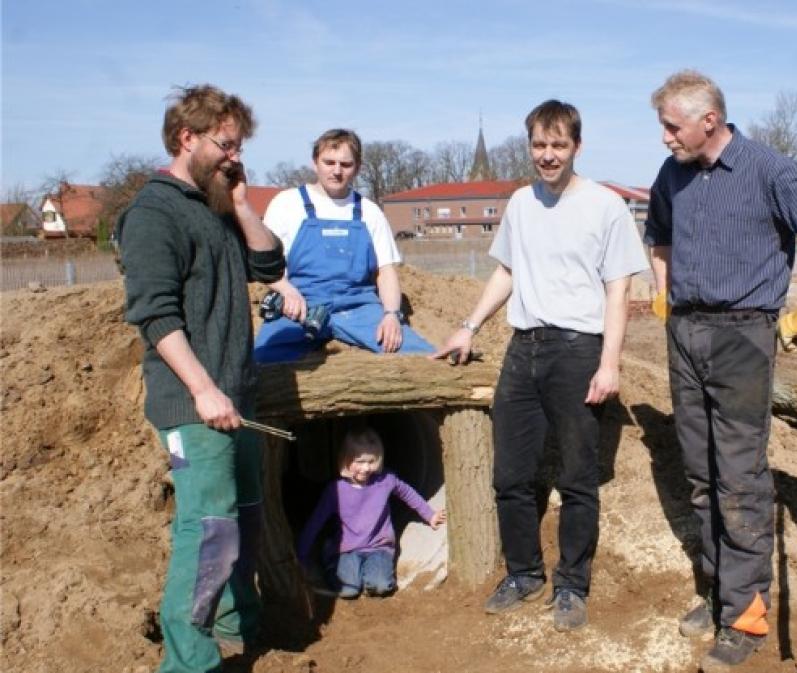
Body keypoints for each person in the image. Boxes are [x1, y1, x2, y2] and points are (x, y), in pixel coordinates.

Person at [644, 69, 797, 671]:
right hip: (685, 331)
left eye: (672, 126)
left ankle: (746, 614)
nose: (665, 137)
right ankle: (719, 592)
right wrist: (664, 295)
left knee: (739, 478)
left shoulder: (769, 170)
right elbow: (658, 236)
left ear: (709, 120)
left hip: (743, 335)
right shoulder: (672, 174)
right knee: (701, 474)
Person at [431, 99, 648, 632]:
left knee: (577, 479)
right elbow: (507, 271)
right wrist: (469, 325)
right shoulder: (520, 203)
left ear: (577, 146)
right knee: (511, 475)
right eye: (539, 145)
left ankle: (571, 585)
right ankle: (524, 573)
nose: (548, 155)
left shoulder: (605, 207)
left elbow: (619, 290)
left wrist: (610, 363)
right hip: (522, 348)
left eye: (558, 145)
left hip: (578, 350)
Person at [117, 84, 286, 673]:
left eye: (239, 147)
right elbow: (154, 315)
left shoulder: (217, 205)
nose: (234, 157)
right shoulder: (152, 213)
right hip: (195, 402)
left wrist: (241, 204)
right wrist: (203, 389)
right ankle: (189, 662)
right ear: (186, 138)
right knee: (210, 530)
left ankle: (238, 629)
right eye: (225, 145)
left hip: (237, 395)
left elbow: (269, 265)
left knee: (247, 516)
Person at [253, 128, 434, 364]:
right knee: (261, 360)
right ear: (315, 162)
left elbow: (385, 270)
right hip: (302, 303)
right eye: (329, 162)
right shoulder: (286, 204)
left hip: (358, 307)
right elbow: (266, 264)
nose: (337, 171)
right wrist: (286, 291)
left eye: (345, 164)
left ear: (357, 168)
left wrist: (391, 315)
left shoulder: (369, 211)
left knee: (419, 355)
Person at [295, 425, 446, 599]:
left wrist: (430, 515)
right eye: (360, 462)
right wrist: (301, 556)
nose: (366, 468)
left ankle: (366, 573)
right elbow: (316, 521)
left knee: (381, 586)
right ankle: (330, 559)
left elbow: (407, 493)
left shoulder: (385, 480)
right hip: (346, 549)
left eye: (371, 461)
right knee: (348, 590)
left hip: (378, 547)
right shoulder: (336, 490)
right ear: (346, 460)